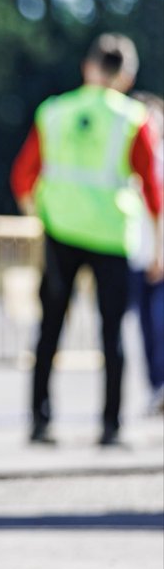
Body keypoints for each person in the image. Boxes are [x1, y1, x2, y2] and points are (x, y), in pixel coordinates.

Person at [10, 34, 163, 447]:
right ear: (127, 75)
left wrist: (40, 217)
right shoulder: (133, 118)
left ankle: (40, 421)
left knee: (50, 329)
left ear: (87, 67)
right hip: (112, 235)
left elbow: (22, 176)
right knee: (112, 334)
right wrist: (159, 248)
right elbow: (152, 189)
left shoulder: (54, 111)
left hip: (60, 233)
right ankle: (111, 426)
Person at [128, 94, 164, 414]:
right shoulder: (127, 158)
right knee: (146, 330)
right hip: (135, 253)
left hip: (157, 254)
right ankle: (156, 387)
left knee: (159, 324)